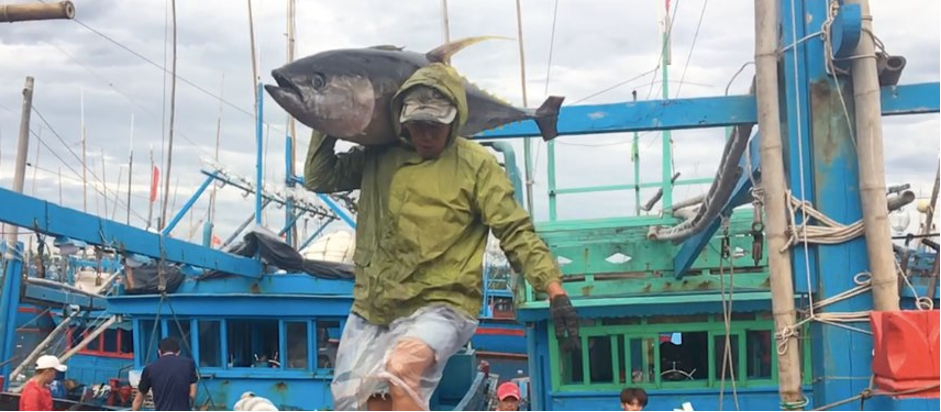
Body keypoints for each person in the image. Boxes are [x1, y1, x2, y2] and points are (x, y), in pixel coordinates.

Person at [307, 63, 580, 412]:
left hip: (442, 304)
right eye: (417, 125)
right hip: (374, 306)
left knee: (402, 369)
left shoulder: (476, 165)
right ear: (402, 121)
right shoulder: (379, 156)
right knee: (365, 400)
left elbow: (514, 230)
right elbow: (319, 176)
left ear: (454, 119)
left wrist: (553, 288)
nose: (425, 134)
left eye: (435, 125)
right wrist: (330, 117)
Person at [132, 338, 198, 411]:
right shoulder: (188, 364)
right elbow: (192, 394)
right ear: (178, 352)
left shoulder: (149, 369)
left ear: (159, 352)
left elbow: (138, 400)